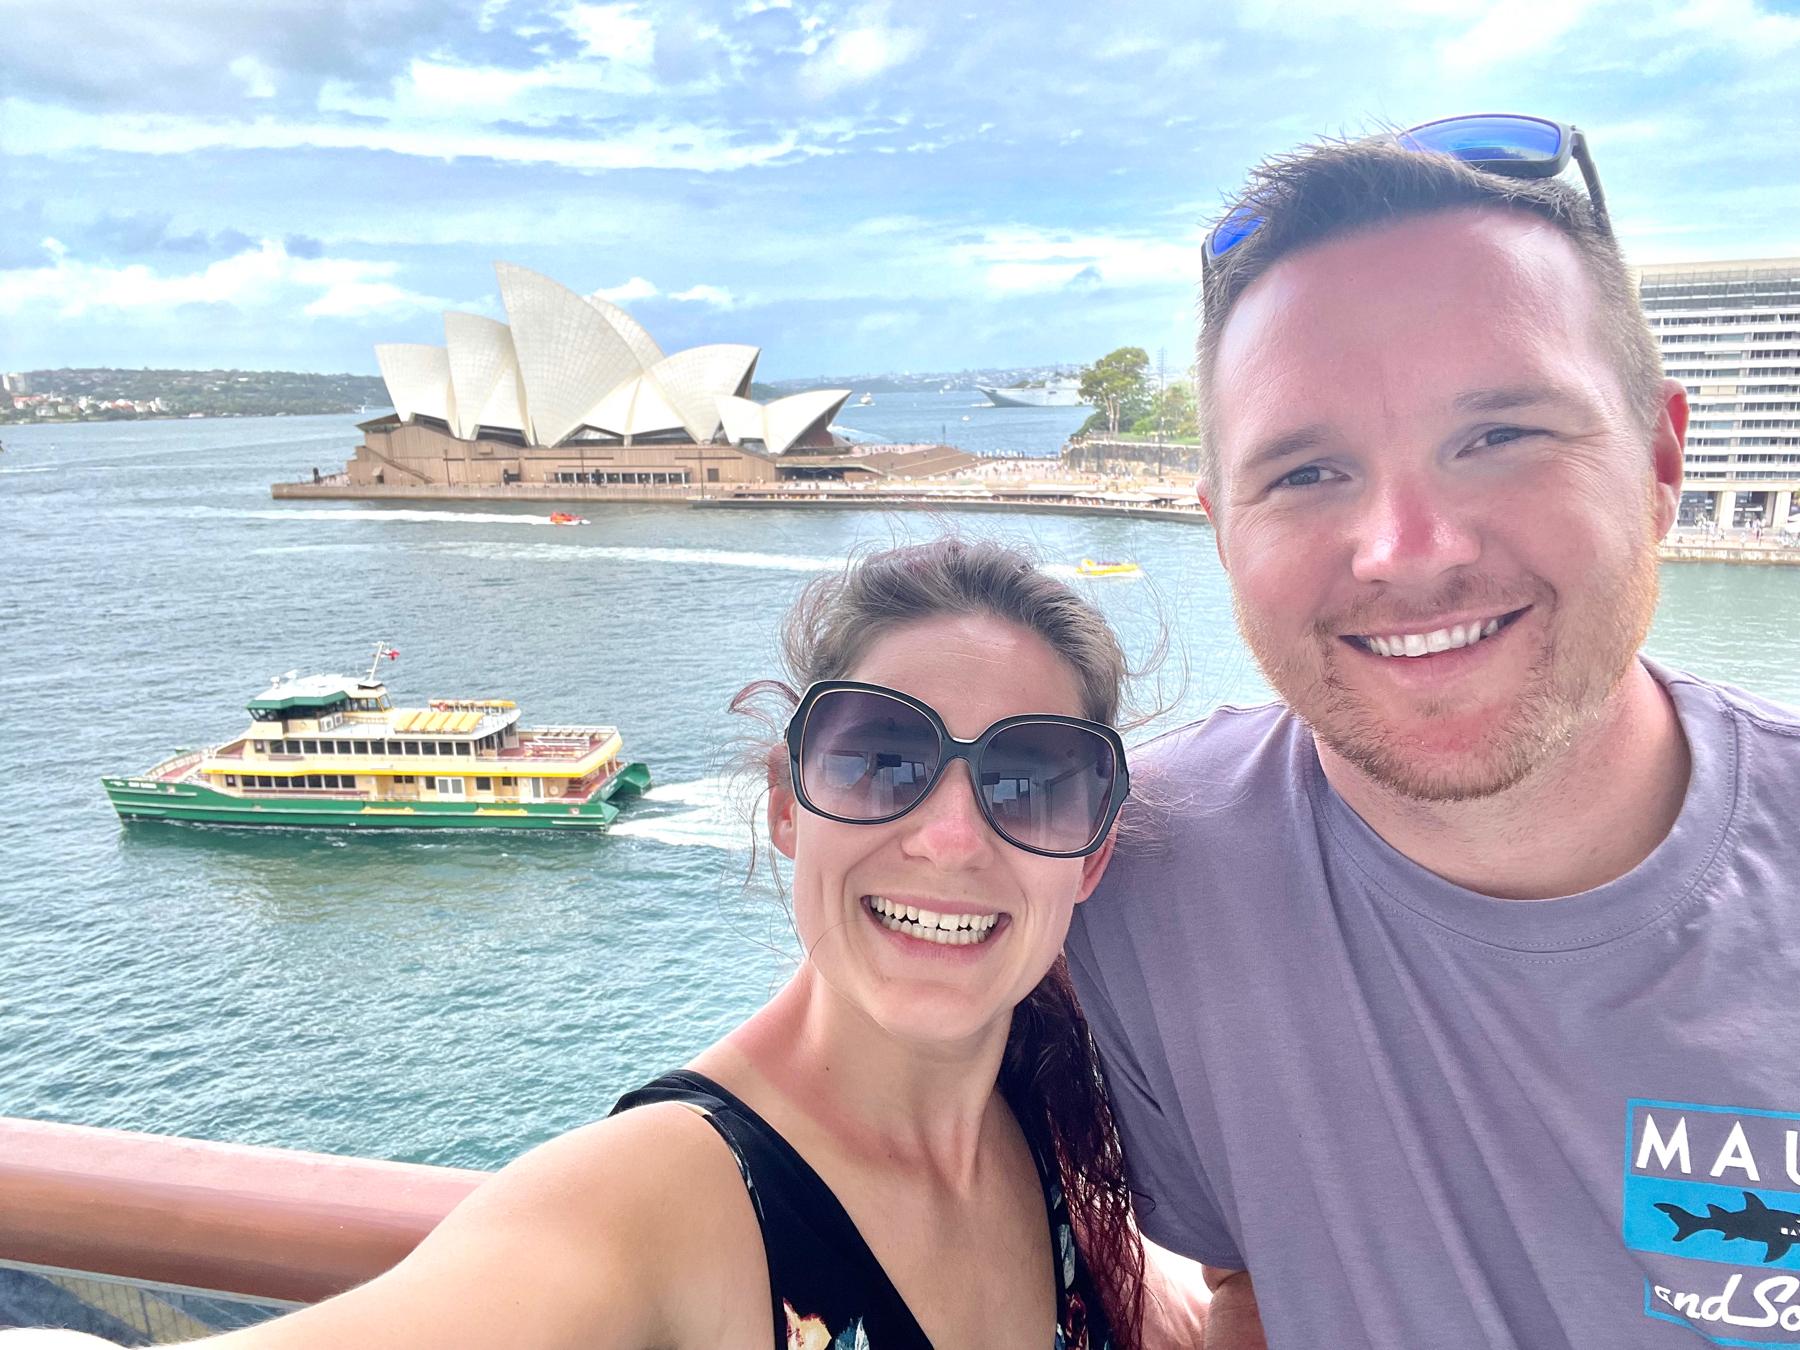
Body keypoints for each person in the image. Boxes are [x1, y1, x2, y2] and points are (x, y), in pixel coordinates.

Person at [6, 538, 1206, 1350]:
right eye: (881, 759)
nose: (949, 837)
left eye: (1030, 781)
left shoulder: (1049, 1120)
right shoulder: (664, 1201)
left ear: (1091, 854)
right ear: (788, 805)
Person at [1066, 115, 1800, 1349]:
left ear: (1662, 459)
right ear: (1219, 526)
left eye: (1499, 436)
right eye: (1305, 473)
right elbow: (1249, 1284)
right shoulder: (1131, 866)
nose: (1408, 549)